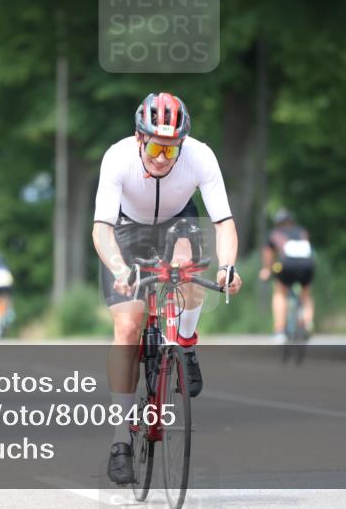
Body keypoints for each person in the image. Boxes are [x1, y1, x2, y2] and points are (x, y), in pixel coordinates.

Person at [92, 92, 242, 484]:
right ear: (140, 138)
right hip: (126, 229)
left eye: (171, 151)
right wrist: (120, 267)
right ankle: (120, 439)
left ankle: (186, 343)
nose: (162, 157)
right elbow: (101, 228)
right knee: (127, 328)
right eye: (156, 146)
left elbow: (223, 220)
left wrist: (228, 267)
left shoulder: (201, 157)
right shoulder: (117, 157)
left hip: (178, 221)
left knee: (189, 271)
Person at [259, 209, 314, 342]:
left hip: (287, 265)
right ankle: (306, 322)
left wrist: (267, 270)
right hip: (308, 264)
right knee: (306, 294)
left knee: (280, 292)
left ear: (277, 223)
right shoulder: (302, 231)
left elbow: (268, 253)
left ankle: (279, 330)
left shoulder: (275, 233)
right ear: (292, 222)